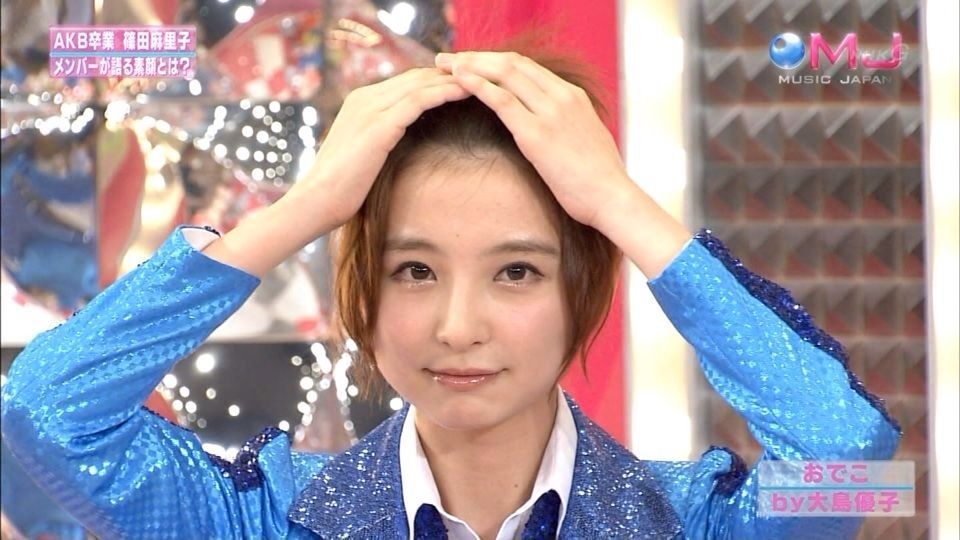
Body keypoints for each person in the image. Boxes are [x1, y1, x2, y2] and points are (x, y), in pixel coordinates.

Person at [0, 50, 900, 539]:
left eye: (517, 272)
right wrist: (305, 208)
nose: (458, 326)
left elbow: (846, 454)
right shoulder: (261, 518)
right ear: (362, 292)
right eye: (415, 271)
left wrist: (620, 207)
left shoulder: (691, 523)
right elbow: (48, 410)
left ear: (581, 289)